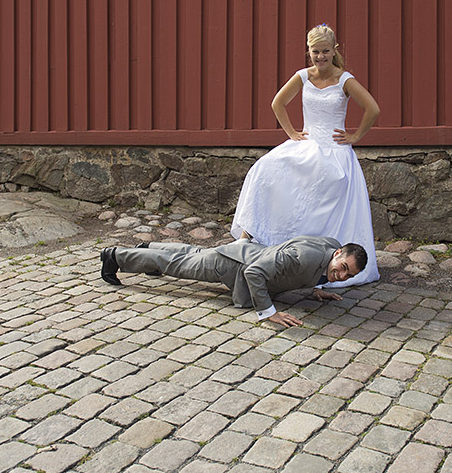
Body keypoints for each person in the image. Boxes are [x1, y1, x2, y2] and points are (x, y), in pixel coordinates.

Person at [231, 23, 380, 287]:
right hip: (307, 144)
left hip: (334, 152)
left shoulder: (344, 80)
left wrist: (355, 136)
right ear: (308, 51)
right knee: (264, 169)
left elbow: (373, 109)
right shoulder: (303, 76)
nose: (320, 57)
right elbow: (277, 103)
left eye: (325, 51)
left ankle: (314, 258)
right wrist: (291, 132)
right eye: (315, 52)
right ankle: (249, 237)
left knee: (324, 185)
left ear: (334, 50)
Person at [100, 236, 368, 328]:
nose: (342, 276)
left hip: (243, 253)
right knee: (178, 265)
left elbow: (316, 270)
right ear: (337, 254)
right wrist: (269, 312)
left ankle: (147, 250)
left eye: (349, 276)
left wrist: (316, 288)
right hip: (233, 264)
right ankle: (115, 257)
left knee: (191, 253)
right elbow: (255, 273)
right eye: (343, 268)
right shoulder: (304, 257)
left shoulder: (330, 248)